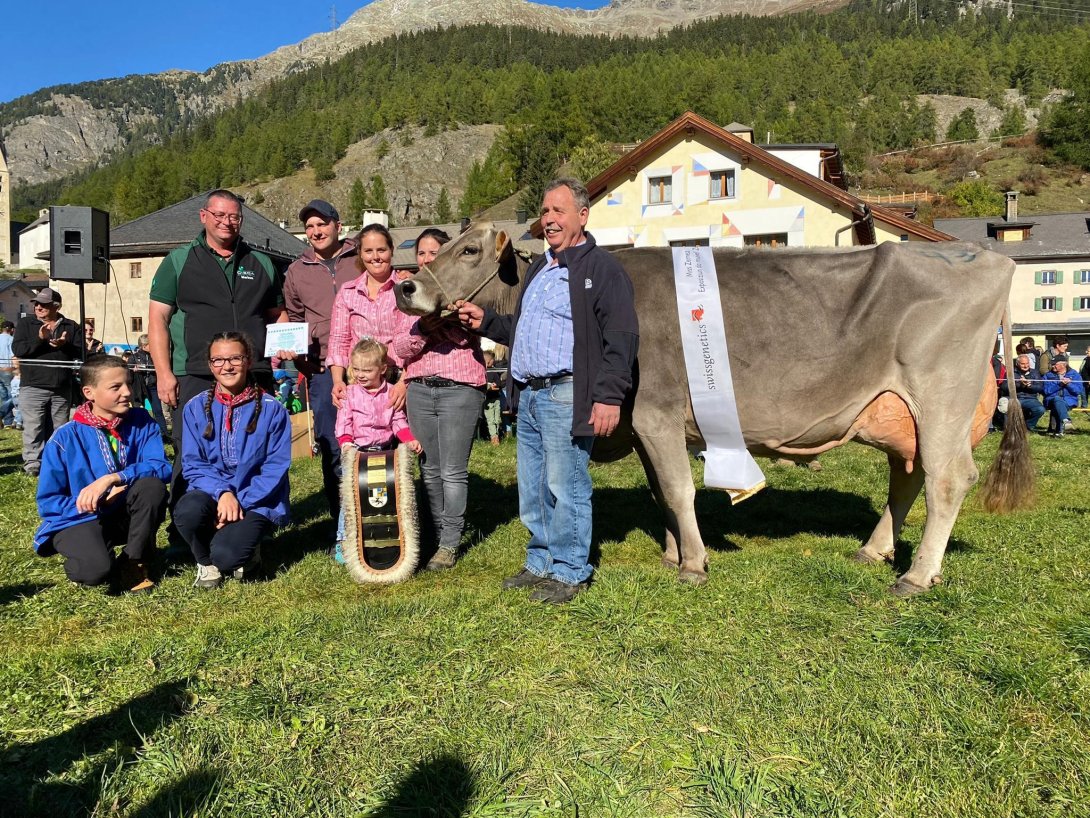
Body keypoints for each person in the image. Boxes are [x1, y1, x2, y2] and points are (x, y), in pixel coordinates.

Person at [457, 177, 639, 604]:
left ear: (582, 215)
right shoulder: (540, 268)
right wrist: (484, 321)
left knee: (566, 484)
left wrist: (609, 395)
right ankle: (540, 562)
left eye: (559, 210)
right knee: (533, 487)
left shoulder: (601, 269)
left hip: (566, 392)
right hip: (531, 394)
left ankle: (571, 570)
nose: (550, 219)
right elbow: (522, 330)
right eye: (545, 211)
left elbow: (621, 336)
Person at [147, 189, 284, 501]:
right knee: (191, 448)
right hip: (195, 372)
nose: (227, 222)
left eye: (233, 216)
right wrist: (164, 373)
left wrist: (284, 346)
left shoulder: (261, 262)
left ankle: (254, 518)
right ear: (204, 217)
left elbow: (278, 315)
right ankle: (185, 526)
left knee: (256, 445)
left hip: (253, 373)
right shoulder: (178, 261)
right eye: (219, 215)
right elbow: (157, 319)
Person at [32, 355, 170, 592]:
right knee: (95, 571)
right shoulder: (65, 438)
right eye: (115, 387)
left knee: (152, 487)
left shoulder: (141, 421)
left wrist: (115, 477)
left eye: (128, 383)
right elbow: (49, 503)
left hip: (122, 513)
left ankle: (133, 560)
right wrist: (93, 501)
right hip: (79, 518)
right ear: (89, 392)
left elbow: (162, 466)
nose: (127, 392)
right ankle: (89, 552)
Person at [391, 228, 486, 570]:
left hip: (459, 386)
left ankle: (449, 543)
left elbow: (471, 335)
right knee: (429, 469)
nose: (427, 259)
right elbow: (398, 349)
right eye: (422, 253)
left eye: (435, 252)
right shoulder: (407, 293)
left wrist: (446, 320)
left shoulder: (463, 287)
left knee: (452, 470)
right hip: (418, 388)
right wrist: (425, 329)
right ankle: (436, 533)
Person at [173, 332, 291, 589]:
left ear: (248, 361)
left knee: (228, 556)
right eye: (218, 360)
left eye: (235, 358)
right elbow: (193, 463)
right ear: (210, 365)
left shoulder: (273, 410)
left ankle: (246, 547)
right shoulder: (194, 408)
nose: (227, 366)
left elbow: (275, 467)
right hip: (212, 492)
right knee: (186, 512)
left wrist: (239, 502)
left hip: (256, 498)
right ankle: (205, 562)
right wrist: (222, 492)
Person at [278, 199, 359, 520]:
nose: (315, 231)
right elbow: (294, 318)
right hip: (324, 368)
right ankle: (342, 522)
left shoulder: (361, 257)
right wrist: (299, 360)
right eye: (309, 227)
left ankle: (384, 515)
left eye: (322, 224)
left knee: (378, 438)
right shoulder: (296, 271)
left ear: (338, 226)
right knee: (331, 444)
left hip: (369, 367)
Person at [334, 338, 422, 557]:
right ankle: (343, 540)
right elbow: (343, 421)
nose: (360, 375)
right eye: (356, 369)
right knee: (351, 500)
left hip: (385, 454)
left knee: (383, 497)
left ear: (382, 369)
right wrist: (345, 443)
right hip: (355, 453)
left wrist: (409, 439)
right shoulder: (350, 393)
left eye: (367, 370)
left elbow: (398, 420)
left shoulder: (391, 392)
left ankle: (382, 534)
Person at [327, 223, 412, 413]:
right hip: (359, 380)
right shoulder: (348, 292)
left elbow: (416, 343)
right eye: (368, 251)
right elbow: (339, 340)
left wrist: (403, 383)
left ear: (391, 251)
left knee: (403, 438)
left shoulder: (406, 289)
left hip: (399, 379)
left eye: (381, 250)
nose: (375, 257)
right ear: (361, 254)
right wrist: (338, 380)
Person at [12, 287, 83, 477]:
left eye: (44, 304)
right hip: (33, 385)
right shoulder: (26, 324)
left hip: (61, 387)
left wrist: (64, 345)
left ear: (56, 306)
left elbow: (81, 352)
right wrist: (39, 339)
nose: (39, 307)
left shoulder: (70, 325)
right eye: (36, 303)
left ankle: (57, 463)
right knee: (33, 427)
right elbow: (18, 349)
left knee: (60, 428)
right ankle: (33, 465)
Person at [132, 334, 168, 440]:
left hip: (152, 387)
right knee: (138, 410)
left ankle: (164, 434)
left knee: (157, 410)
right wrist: (134, 371)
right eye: (150, 344)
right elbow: (128, 372)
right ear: (144, 346)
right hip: (139, 388)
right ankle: (139, 434)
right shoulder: (134, 357)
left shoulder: (155, 357)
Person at [999, 353, 1046, 431]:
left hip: (1030, 398)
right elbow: (1004, 387)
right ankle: (1009, 428)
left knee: (1040, 409)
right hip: (1013, 397)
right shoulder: (1011, 372)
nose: (1026, 366)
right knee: (1004, 406)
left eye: (1027, 363)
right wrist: (1019, 384)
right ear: (1017, 364)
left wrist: (1029, 386)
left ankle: (1027, 426)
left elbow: (1040, 388)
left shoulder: (1035, 372)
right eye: (1023, 364)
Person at [1042, 354, 1082, 438]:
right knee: (1057, 400)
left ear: (1064, 364)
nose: (1052, 366)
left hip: (1069, 401)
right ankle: (1066, 422)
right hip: (1050, 401)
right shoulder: (1047, 376)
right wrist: (1059, 384)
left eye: (1055, 364)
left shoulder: (1075, 375)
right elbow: (1046, 391)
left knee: (1059, 404)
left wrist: (1069, 384)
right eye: (1052, 364)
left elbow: (1078, 391)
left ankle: (1058, 430)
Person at [482, 349, 503, 445]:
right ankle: (494, 437)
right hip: (488, 399)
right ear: (488, 361)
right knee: (490, 419)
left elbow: (499, 383)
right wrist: (489, 386)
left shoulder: (494, 370)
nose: (493, 362)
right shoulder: (483, 371)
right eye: (492, 360)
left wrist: (496, 385)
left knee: (497, 419)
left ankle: (497, 434)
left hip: (496, 398)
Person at [0, 321, 15, 428]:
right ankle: (1, 413)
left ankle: (8, 422)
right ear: (11, 329)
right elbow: (13, 355)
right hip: (7, 369)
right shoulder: (11, 339)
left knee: (4, 396)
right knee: (15, 395)